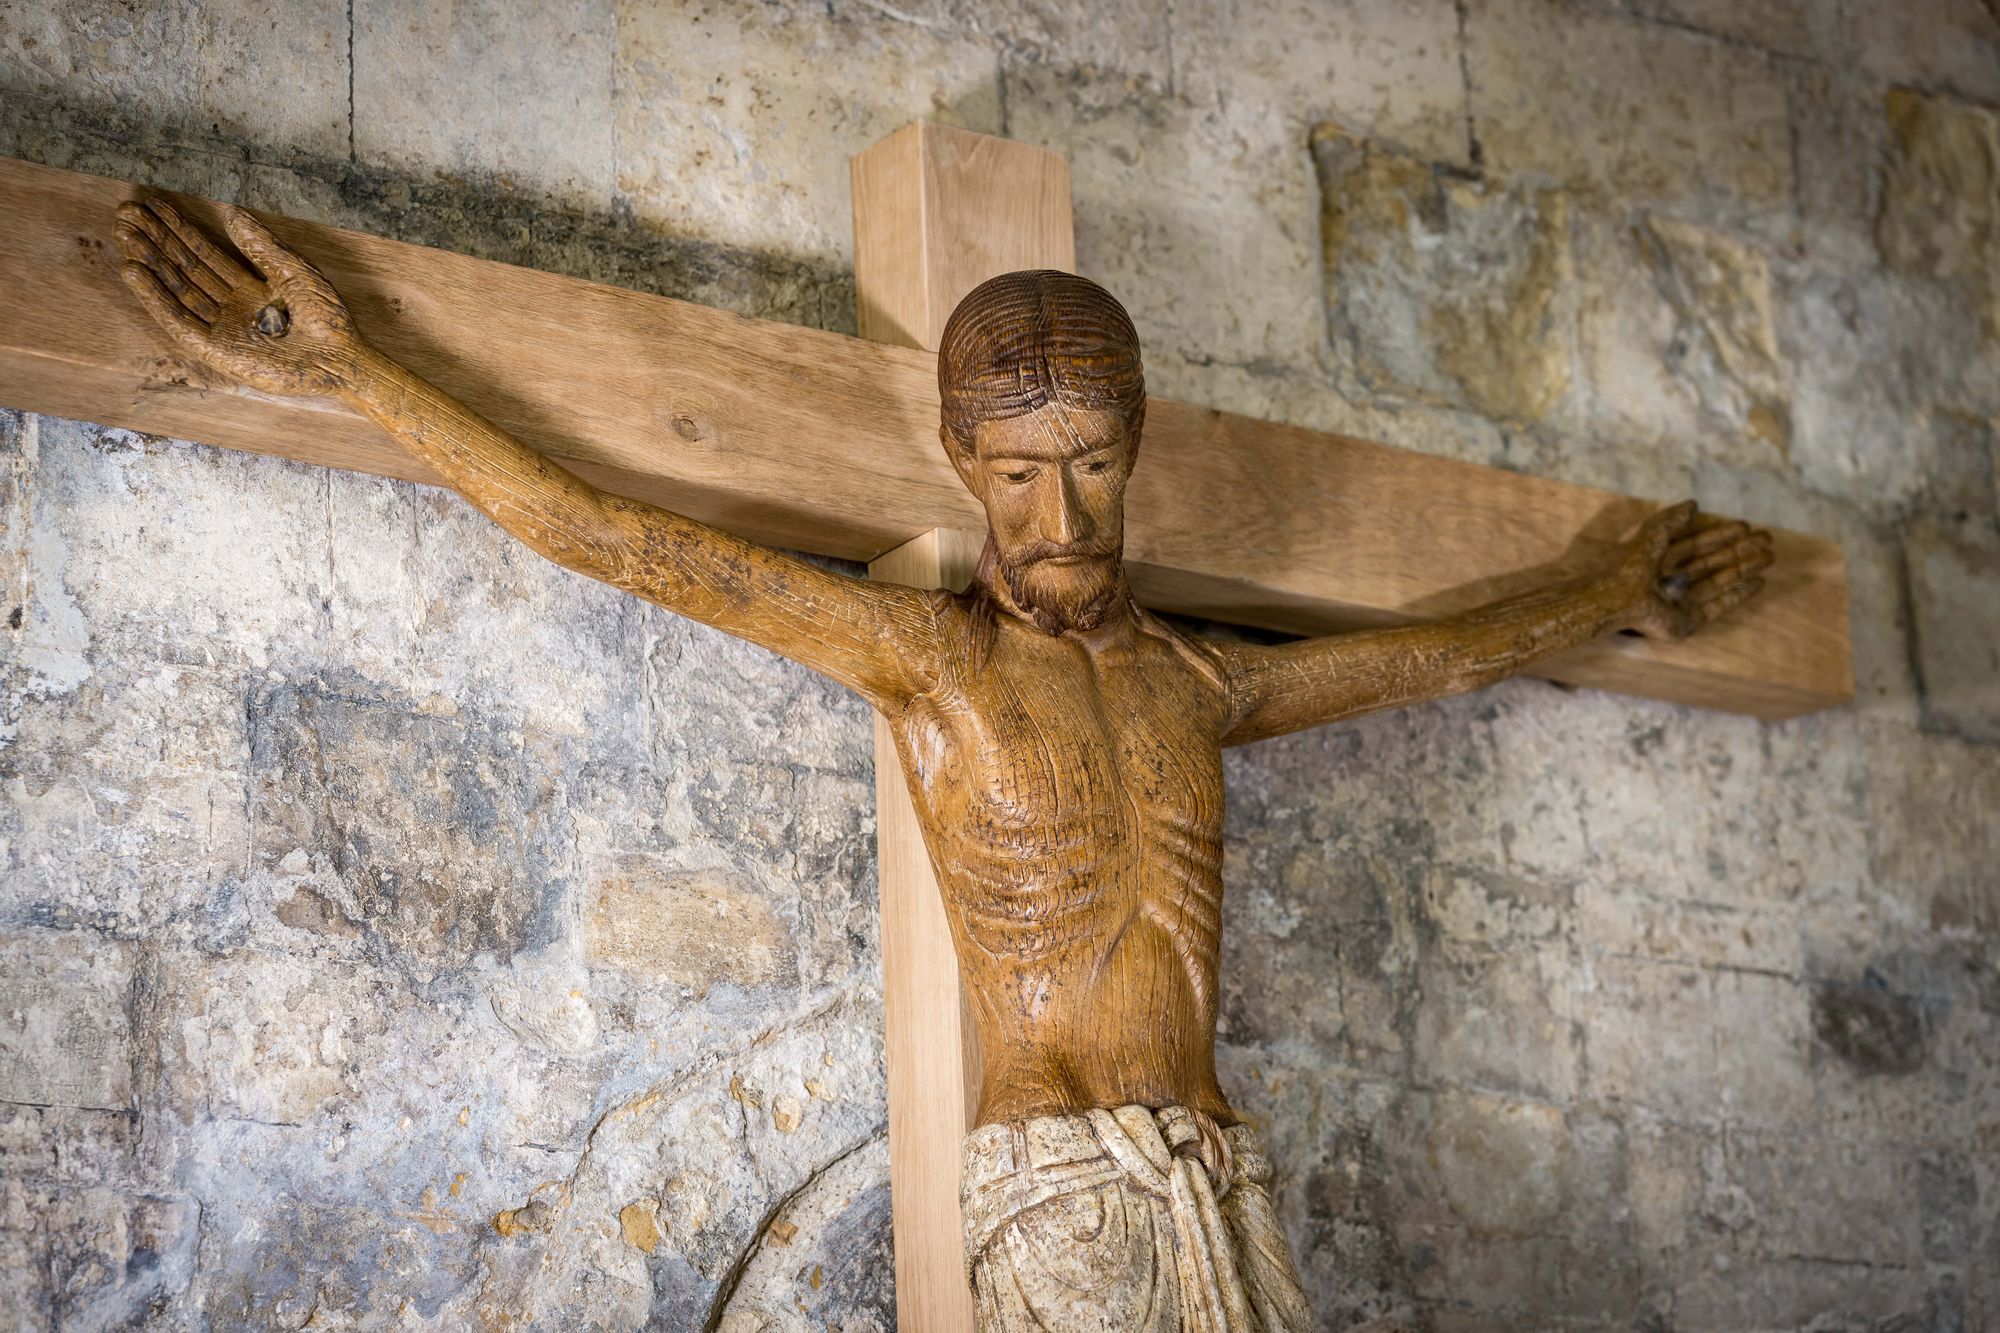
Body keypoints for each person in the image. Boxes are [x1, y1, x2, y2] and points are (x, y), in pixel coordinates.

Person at [116, 199, 1772, 1330]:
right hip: (1061, 1184)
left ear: (1140, 448)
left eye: (1094, 467)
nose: (1057, 520)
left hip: (1225, 1172)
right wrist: (349, 369)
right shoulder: (937, 667)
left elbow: (1435, 655)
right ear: (958, 463)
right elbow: (607, 534)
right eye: (1017, 475)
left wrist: (1613, 589)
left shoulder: (1198, 685)